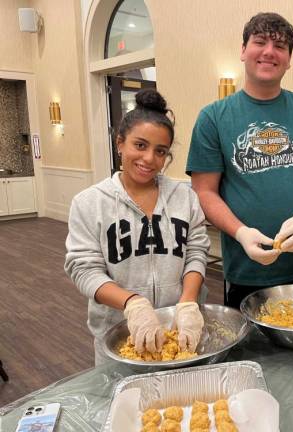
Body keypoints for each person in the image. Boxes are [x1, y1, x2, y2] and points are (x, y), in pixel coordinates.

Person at [187, 12, 293, 308]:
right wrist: (241, 232)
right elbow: (204, 191)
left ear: (289, 59)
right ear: (243, 50)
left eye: (280, 46)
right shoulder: (213, 117)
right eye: (259, 42)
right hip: (246, 271)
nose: (269, 52)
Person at [65, 89, 210, 364]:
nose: (149, 159)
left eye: (160, 152)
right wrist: (133, 303)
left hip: (179, 334)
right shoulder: (89, 203)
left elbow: (196, 253)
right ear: (120, 143)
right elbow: (84, 269)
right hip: (121, 336)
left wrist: (188, 302)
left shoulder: (184, 197)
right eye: (140, 145)